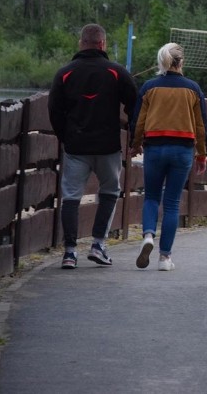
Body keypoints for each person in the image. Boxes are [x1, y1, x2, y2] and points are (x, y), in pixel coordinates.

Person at [48, 23, 138, 269]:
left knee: (71, 196)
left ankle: (69, 252)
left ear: (81, 43)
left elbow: (54, 111)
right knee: (109, 191)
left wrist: (65, 137)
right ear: (103, 44)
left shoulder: (65, 73)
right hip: (108, 146)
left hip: (76, 147)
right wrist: (135, 136)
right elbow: (135, 105)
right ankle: (98, 245)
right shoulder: (117, 72)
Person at [131, 42, 207, 271]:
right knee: (172, 203)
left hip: (154, 148)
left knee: (151, 197)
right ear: (181, 62)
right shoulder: (193, 89)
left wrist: (136, 145)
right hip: (182, 150)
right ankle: (165, 258)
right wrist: (202, 154)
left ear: (161, 61)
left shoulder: (149, 87)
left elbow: (139, 122)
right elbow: (201, 125)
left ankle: (147, 235)